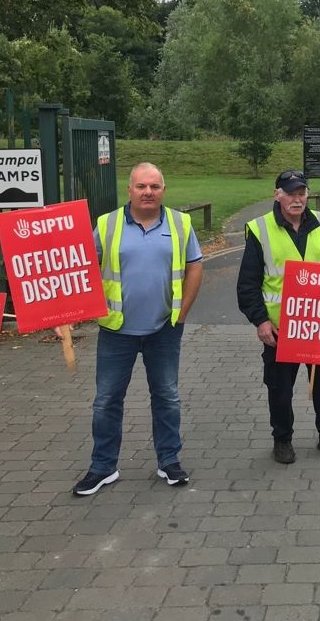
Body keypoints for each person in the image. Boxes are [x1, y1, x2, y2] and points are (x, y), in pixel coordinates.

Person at [69, 162, 204, 496]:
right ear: (129, 190)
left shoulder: (180, 223)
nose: (148, 192)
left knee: (167, 397)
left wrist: (182, 312)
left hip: (164, 329)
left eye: (154, 187)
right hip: (117, 331)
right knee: (106, 401)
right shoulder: (108, 224)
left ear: (163, 190)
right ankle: (103, 467)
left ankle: (169, 461)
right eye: (141, 186)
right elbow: (81, 267)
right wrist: (67, 315)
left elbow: (194, 265)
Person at [236, 169, 320, 464]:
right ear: (277, 195)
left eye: (301, 192)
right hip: (278, 328)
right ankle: (282, 438)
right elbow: (247, 284)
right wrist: (261, 321)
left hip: (317, 324)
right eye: (290, 193)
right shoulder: (260, 229)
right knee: (279, 388)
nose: (297, 198)